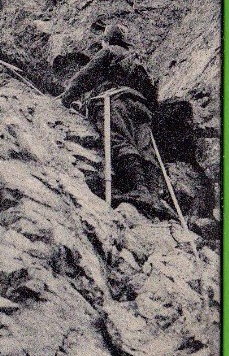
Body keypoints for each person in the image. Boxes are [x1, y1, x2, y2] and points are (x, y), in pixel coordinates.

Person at [58, 25, 168, 217]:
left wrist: (68, 96)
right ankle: (154, 196)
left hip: (115, 101)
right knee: (145, 148)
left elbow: (87, 75)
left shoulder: (108, 51)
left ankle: (139, 189)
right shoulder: (139, 62)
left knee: (118, 138)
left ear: (107, 40)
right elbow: (152, 94)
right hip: (141, 108)